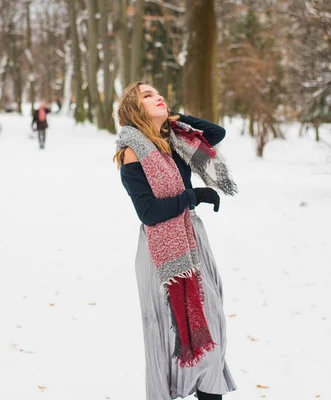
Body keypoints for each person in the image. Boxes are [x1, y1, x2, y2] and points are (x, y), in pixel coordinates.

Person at [114, 82, 238, 400]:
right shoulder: (132, 152)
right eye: (147, 95)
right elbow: (150, 212)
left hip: (191, 239)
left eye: (158, 94)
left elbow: (215, 133)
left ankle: (209, 390)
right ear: (133, 109)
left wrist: (177, 117)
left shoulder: (175, 141)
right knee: (168, 335)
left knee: (211, 326)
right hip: (162, 252)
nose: (158, 97)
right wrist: (193, 195)